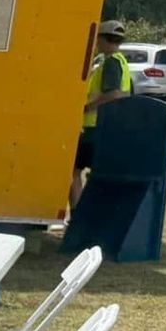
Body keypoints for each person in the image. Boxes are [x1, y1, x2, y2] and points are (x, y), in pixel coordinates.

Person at [71, 19, 134, 209]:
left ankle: (77, 214)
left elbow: (113, 94)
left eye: (98, 39)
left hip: (93, 127)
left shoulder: (111, 63)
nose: (96, 43)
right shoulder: (121, 62)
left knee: (72, 172)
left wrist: (87, 107)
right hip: (108, 128)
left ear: (104, 39)